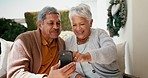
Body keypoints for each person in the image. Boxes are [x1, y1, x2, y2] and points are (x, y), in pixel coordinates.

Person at [7, 6, 76, 78]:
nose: (56, 27)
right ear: (40, 25)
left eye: (58, 23)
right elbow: (15, 74)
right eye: (51, 23)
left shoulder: (61, 43)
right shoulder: (24, 41)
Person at [65, 3, 123, 78]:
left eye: (82, 24)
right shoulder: (68, 42)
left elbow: (111, 52)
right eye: (74, 25)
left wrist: (86, 57)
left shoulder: (99, 34)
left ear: (90, 23)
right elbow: (68, 68)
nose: (78, 29)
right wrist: (78, 76)